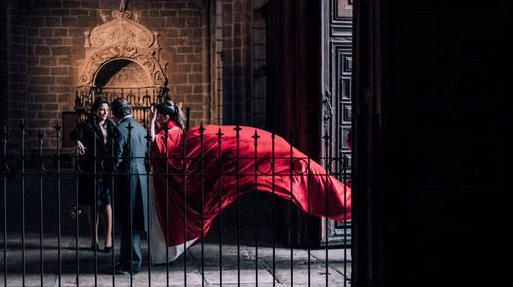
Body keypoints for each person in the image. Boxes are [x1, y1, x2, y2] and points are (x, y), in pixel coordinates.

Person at [148, 100, 351, 263]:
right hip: (241, 152)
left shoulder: (172, 132)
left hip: (238, 155)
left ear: (165, 116)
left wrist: (151, 122)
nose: (155, 119)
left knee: (281, 159)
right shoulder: (178, 132)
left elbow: (158, 149)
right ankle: (339, 196)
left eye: (157, 115)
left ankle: (341, 198)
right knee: (279, 157)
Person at [70, 97, 117, 252]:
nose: (104, 112)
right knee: (92, 204)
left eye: (107, 110)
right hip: (91, 168)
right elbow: (73, 133)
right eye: (102, 109)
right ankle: (94, 238)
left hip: (106, 170)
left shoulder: (112, 125)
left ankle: (108, 238)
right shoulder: (87, 125)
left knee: (107, 202)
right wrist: (77, 141)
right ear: (96, 110)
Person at [110, 97, 149, 275]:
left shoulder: (120, 129)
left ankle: (131, 263)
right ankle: (125, 260)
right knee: (131, 220)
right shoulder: (141, 128)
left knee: (128, 221)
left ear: (115, 113)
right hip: (140, 175)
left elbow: (116, 157)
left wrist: (111, 170)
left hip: (127, 177)